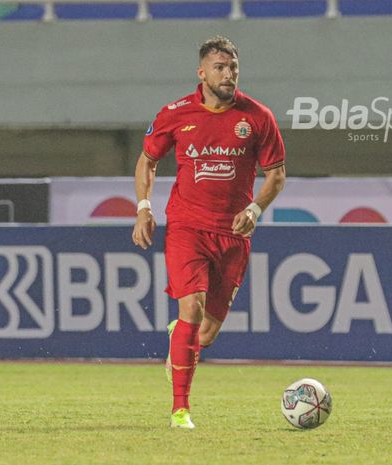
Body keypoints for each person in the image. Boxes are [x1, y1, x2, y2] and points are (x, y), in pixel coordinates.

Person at [131, 36, 286, 429]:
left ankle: (179, 336)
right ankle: (180, 409)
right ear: (202, 73)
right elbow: (147, 161)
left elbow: (276, 175)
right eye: (220, 67)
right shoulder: (175, 113)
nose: (229, 73)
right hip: (187, 227)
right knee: (192, 308)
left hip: (233, 234)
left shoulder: (258, 117)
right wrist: (144, 208)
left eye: (233, 66)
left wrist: (255, 208)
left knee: (207, 332)